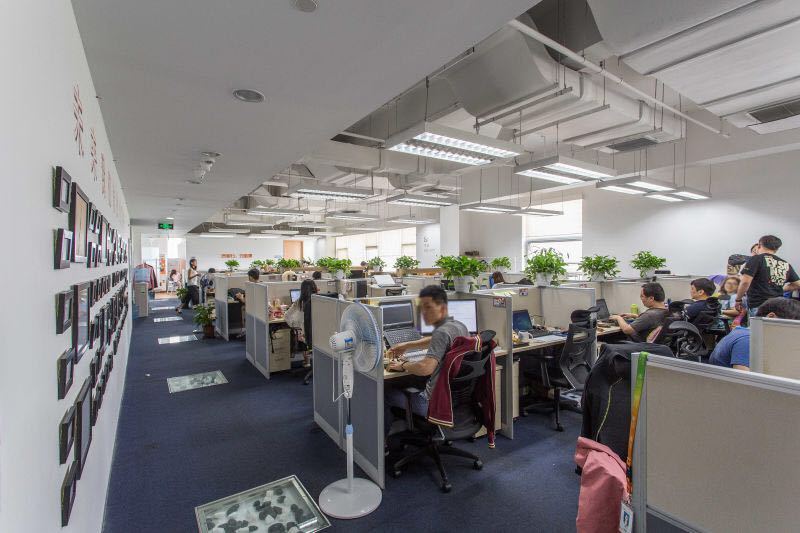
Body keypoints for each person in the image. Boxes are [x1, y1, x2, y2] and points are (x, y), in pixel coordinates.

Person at [383, 285, 468, 435]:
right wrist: (407, 345)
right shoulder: (459, 326)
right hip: (454, 398)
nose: (424, 313)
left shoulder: (442, 332)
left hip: (430, 404)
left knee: (385, 393)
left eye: (429, 308)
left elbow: (425, 368)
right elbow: (436, 340)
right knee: (408, 381)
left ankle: (382, 444)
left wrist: (403, 365)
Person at [709, 297, 800, 371]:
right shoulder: (748, 340)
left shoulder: (744, 333)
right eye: (791, 325)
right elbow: (744, 381)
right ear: (771, 317)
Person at [735, 235, 800, 316]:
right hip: (778, 305)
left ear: (759, 245)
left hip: (759, 305)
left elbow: (745, 282)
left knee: (758, 325)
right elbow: (797, 284)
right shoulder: (785, 264)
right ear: (776, 249)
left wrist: (738, 300)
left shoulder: (756, 259)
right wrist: (779, 289)